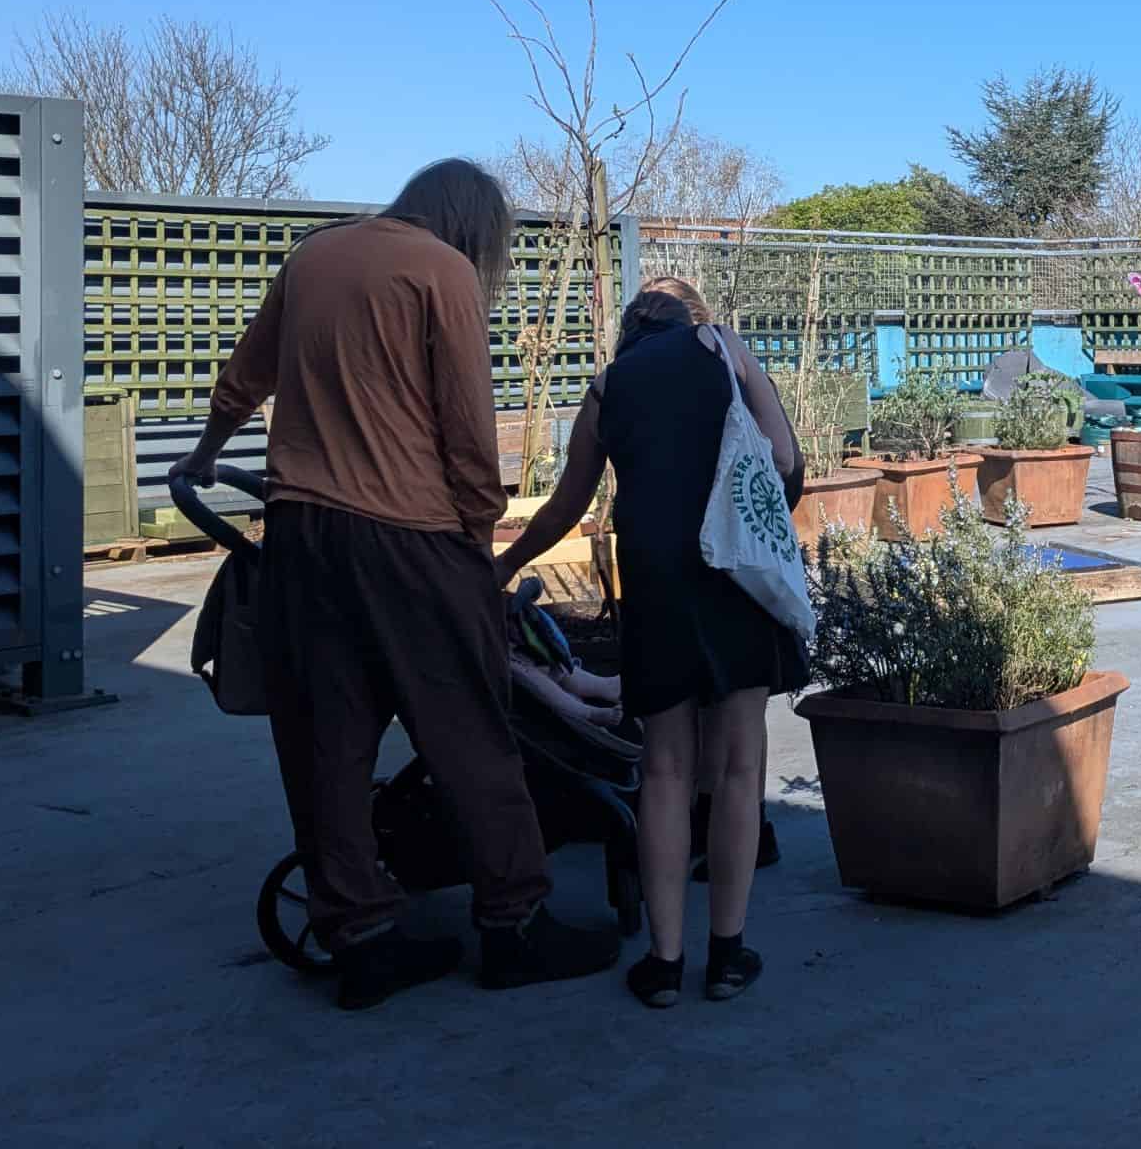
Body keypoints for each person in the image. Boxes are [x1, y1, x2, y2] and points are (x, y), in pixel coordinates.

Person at [176, 159, 620, 1011]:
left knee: (324, 742)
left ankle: (362, 939)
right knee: (469, 729)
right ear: (472, 227)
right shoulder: (442, 271)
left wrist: (204, 452)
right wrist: (478, 541)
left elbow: (244, 376)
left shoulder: (313, 258)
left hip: (302, 537)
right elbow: (466, 425)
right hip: (410, 540)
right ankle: (513, 924)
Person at [499, 277, 805, 1007]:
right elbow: (788, 466)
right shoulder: (724, 349)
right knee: (736, 767)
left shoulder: (609, 386)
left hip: (658, 585)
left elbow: (569, 503)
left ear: (628, 332)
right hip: (737, 579)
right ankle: (726, 956)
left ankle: (664, 964)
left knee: (666, 770)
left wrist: (505, 565)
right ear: (692, 318)